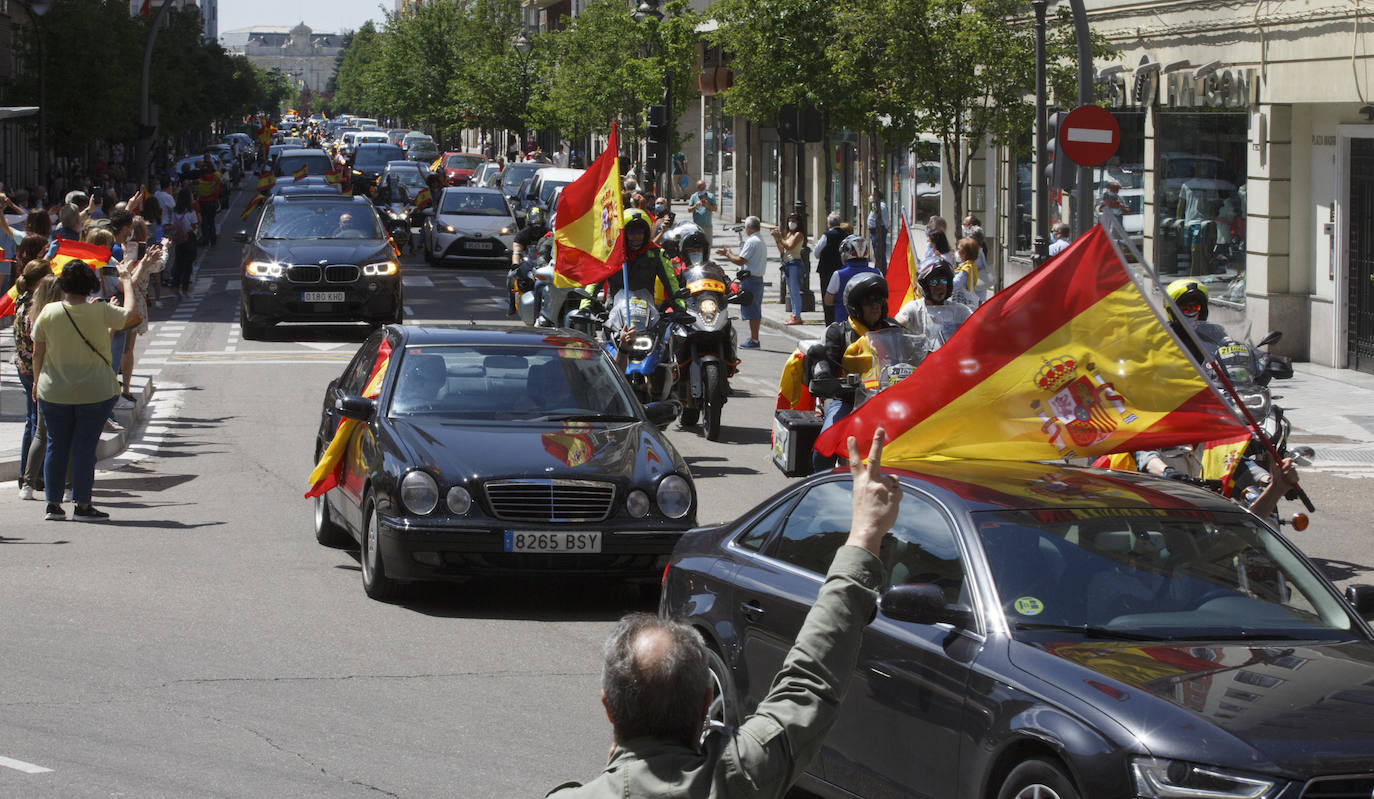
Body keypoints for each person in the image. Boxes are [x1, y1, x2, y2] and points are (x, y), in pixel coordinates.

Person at [548, 427, 898, 799]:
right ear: (705, 702)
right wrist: (865, 533)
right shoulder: (741, 776)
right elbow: (810, 681)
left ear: (609, 708)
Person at [31, 261, 141, 521]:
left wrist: (37, 381)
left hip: (54, 390)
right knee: (84, 447)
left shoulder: (49, 311)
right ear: (89, 285)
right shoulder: (100, 311)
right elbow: (132, 316)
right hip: (95, 391)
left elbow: (37, 351)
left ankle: (53, 505)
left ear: (63, 285)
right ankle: (82, 504)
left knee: (55, 446)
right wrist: (126, 280)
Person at [810, 274, 902, 472]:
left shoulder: (895, 331)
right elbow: (823, 359)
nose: (875, 305)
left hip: (887, 402)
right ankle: (820, 488)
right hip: (848, 401)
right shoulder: (838, 332)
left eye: (878, 300)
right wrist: (823, 374)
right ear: (855, 306)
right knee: (824, 449)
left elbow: (912, 358)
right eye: (868, 301)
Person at [12, 258, 53, 499]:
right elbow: (38, 345)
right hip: (35, 369)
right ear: (41, 280)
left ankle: (26, 474)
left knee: (32, 421)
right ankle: (34, 475)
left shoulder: (21, 298)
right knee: (40, 426)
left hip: (23, 367)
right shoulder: (35, 305)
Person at [598, 209, 682, 311]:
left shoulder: (657, 253)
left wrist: (680, 307)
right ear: (624, 234)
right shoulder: (612, 253)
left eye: (640, 232)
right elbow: (595, 279)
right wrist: (585, 306)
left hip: (647, 312)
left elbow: (671, 283)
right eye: (631, 232)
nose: (636, 236)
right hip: (614, 312)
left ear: (645, 233)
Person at [895, 258, 972, 347]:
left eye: (943, 281)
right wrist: (895, 328)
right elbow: (897, 324)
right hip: (923, 359)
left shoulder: (959, 310)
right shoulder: (915, 308)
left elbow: (978, 322)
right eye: (934, 282)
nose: (939, 286)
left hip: (951, 358)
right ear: (925, 286)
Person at [716, 216, 766, 348]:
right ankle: (754, 338)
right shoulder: (759, 239)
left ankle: (754, 340)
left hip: (751, 280)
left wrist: (728, 254)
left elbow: (740, 260)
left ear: (748, 227)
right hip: (757, 279)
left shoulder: (752, 241)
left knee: (752, 311)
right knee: (754, 310)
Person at [824, 235, 881, 325]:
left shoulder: (838, 275)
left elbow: (828, 301)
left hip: (845, 325)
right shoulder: (877, 273)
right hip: (871, 326)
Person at [772, 211, 806, 325]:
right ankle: (794, 314)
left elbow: (790, 246)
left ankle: (797, 316)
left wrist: (780, 237)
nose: (791, 222)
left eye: (794, 220)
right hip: (787, 264)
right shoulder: (788, 234)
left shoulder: (798, 235)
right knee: (791, 291)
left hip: (794, 264)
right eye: (790, 220)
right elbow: (782, 250)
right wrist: (777, 239)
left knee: (795, 291)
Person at [813, 213, 847, 325]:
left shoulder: (827, 235)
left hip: (827, 270)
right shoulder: (846, 235)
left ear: (829, 224)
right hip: (842, 269)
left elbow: (816, 252)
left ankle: (829, 323)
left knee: (827, 296)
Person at [168, 186, 199, 296]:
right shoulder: (190, 211)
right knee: (188, 264)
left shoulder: (175, 211)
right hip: (189, 238)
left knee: (179, 262)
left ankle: (176, 285)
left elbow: (172, 224)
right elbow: (195, 223)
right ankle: (185, 288)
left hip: (178, 239)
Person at [952, 236, 985, 307]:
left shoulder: (966, 269)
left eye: (958, 249)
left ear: (964, 253)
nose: (957, 252)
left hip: (963, 303)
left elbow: (956, 284)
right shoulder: (971, 265)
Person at [867, 188, 889, 273]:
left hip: (878, 230)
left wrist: (887, 227)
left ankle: (882, 269)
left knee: (879, 250)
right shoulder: (876, 205)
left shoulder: (881, 206)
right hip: (874, 230)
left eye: (873, 195)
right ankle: (879, 267)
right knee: (877, 250)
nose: (871, 197)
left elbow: (885, 218)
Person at [687, 180, 716, 245]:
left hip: (707, 225)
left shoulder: (710, 196)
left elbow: (715, 209)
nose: (701, 189)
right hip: (697, 226)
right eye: (699, 187)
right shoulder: (694, 197)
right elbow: (689, 210)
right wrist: (695, 206)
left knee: (708, 245)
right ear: (697, 187)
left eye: (703, 187)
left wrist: (707, 205)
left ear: (705, 187)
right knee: (697, 245)